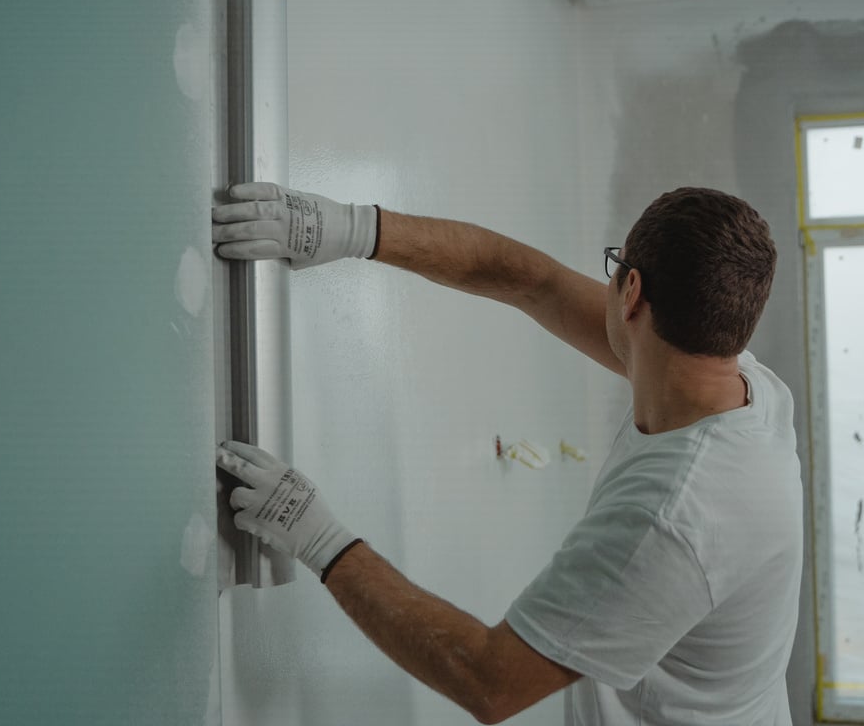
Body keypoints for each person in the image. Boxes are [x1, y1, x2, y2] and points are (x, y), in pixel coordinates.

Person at [211, 182, 803, 725]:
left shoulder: (675, 519)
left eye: (614, 268)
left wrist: (318, 539)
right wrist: (354, 230)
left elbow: (489, 681)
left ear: (632, 292)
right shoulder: (736, 384)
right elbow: (533, 281)